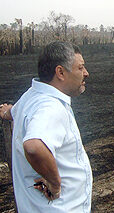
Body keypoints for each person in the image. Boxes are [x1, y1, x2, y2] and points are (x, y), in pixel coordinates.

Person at [0, 41, 92, 212]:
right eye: (80, 68)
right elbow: (34, 146)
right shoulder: (51, 108)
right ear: (60, 72)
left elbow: (16, 111)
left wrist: (6, 112)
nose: (86, 73)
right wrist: (55, 184)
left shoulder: (32, 95)